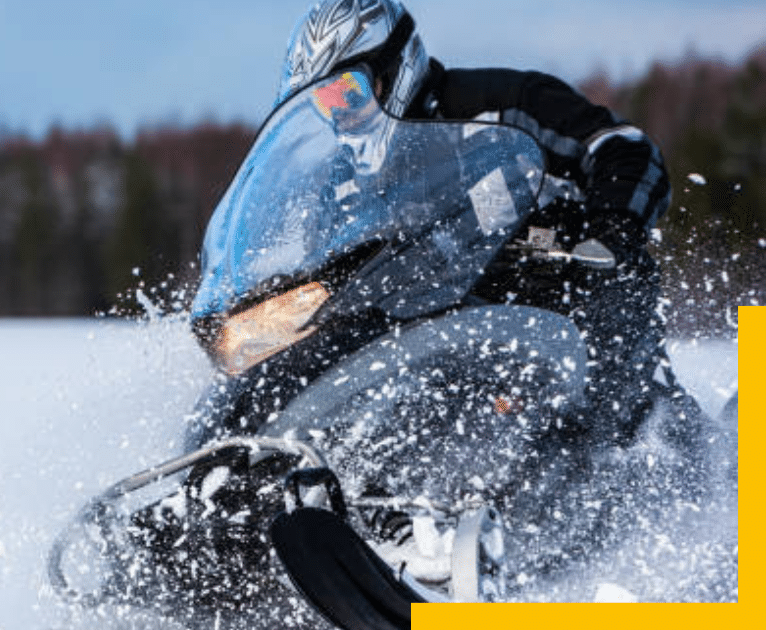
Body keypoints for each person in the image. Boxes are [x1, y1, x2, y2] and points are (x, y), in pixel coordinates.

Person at [277, 0, 672, 446]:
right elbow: (333, 272)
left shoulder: (504, 105)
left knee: (618, 414)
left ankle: (688, 458)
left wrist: (612, 229)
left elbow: (623, 146)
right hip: (444, 351)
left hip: (567, 312)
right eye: (323, 100)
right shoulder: (342, 183)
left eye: (347, 90)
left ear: (394, 66)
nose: (339, 111)